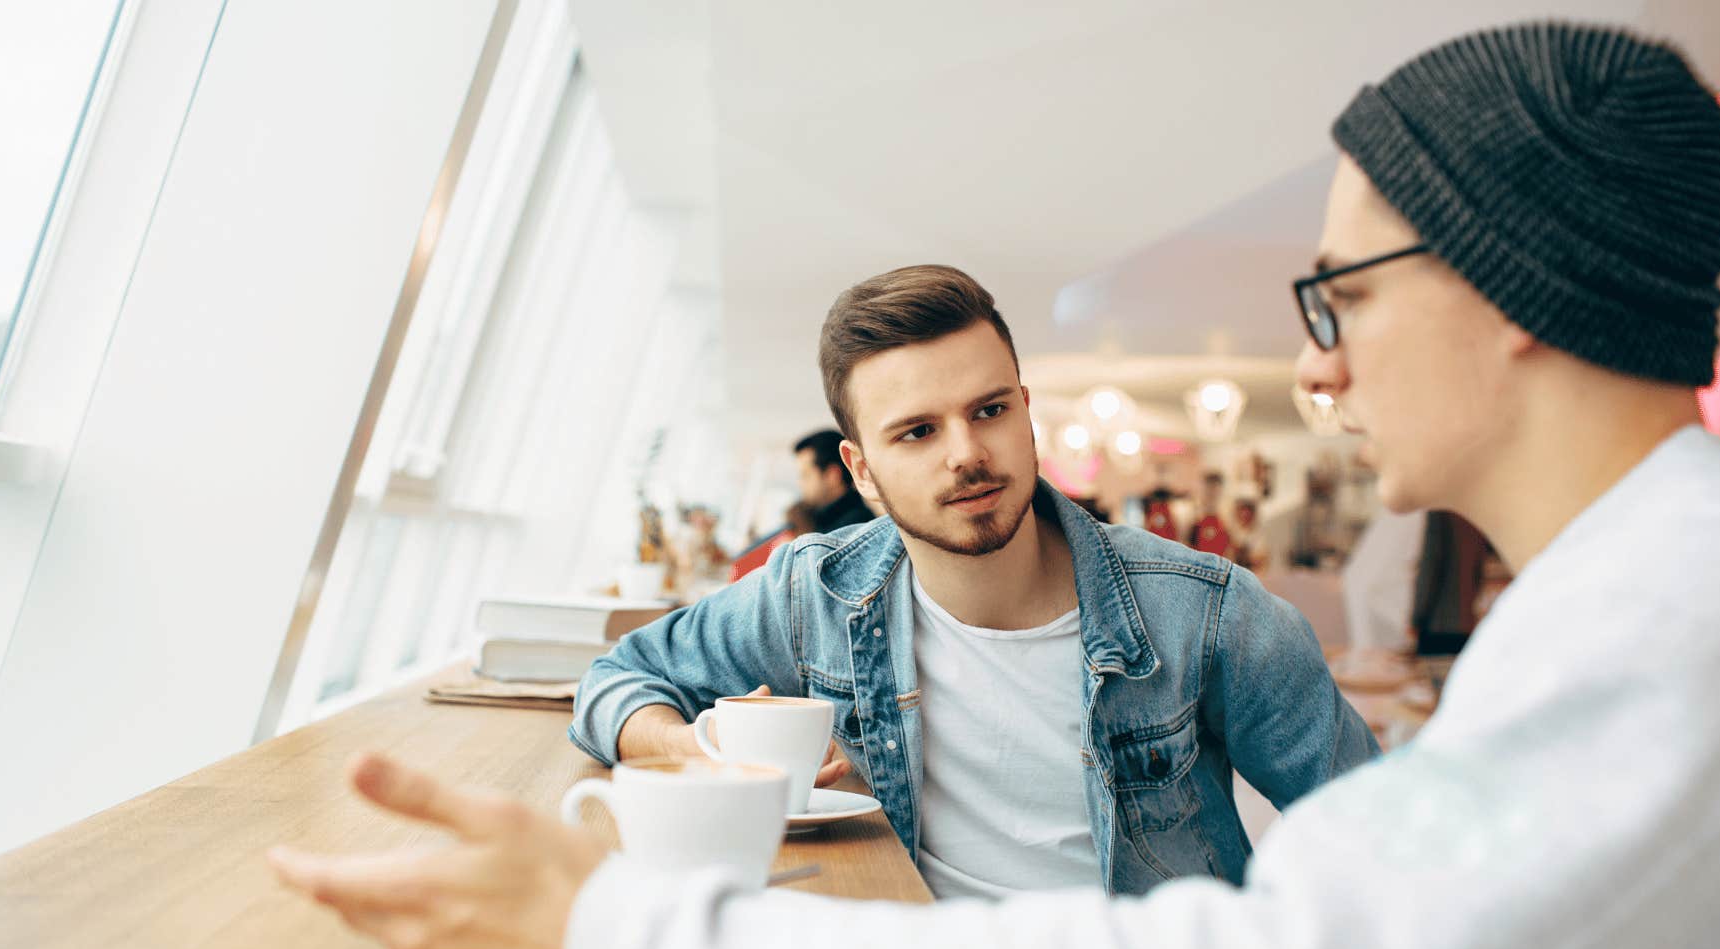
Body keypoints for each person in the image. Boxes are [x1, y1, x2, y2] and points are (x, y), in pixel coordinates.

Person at [271, 21, 1720, 949]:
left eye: (1342, 295)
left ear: (1505, 284)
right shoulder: (1677, 587)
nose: (1317, 366)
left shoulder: (1683, 628)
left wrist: (615, 932)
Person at [574, 265, 1372, 900]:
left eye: (988, 411)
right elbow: (615, 681)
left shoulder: (1205, 611)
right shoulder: (814, 595)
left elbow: (1385, 840)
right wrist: (696, 746)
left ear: (1026, 413)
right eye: (918, 432)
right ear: (864, 471)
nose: (966, 454)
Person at [791, 428, 877, 534]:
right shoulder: (820, 520)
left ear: (833, 475)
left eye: (806, 475)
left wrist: (804, 532)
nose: (800, 483)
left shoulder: (854, 527)